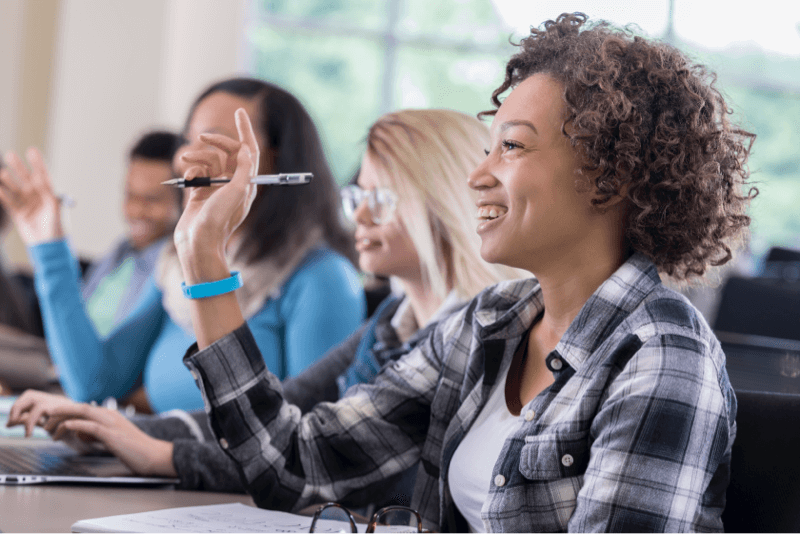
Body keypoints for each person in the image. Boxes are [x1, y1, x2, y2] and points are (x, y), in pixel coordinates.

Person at [22, 13, 757, 530]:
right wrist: (206, 257)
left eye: (513, 147)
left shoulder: (662, 361)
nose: (476, 176)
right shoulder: (487, 327)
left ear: (609, 176)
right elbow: (293, 464)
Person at [9, 109, 525, 499]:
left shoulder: (455, 329)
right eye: (357, 196)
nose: (361, 216)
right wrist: (116, 430)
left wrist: (165, 455)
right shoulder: (391, 321)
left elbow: (292, 451)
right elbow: (288, 408)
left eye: (383, 198)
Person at [0, 77, 365, 413]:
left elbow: (304, 434)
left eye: (214, 140)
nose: (186, 159)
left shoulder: (324, 278)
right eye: (188, 139)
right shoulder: (174, 263)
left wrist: (153, 443)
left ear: (272, 161)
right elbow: (93, 382)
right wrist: (47, 242)